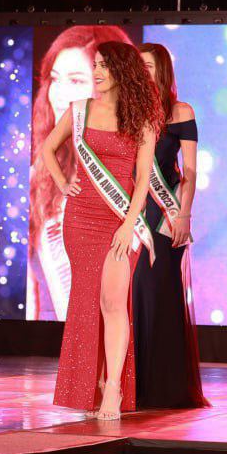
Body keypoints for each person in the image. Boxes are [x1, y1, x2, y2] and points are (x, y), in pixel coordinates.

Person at [39, 41, 161, 419]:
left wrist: (128, 225)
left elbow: (143, 180)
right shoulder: (79, 110)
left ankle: (113, 387)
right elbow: (48, 148)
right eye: (96, 65)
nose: (97, 72)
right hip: (80, 218)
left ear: (123, 71)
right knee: (88, 303)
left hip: (120, 220)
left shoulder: (141, 118)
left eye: (105, 65)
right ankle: (89, 387)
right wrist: (63, 182)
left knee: (113, 303)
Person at [29, 25, 134, 320]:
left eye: (76, 80)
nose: (59, 94)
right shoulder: (40, 176)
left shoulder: (130, 163)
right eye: (54, 79)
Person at [134, 43, 207, 408]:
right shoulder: (127, 111)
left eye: (148, 66)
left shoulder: (180, 112)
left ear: (162, 70)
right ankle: (133, 382)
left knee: (158, 291)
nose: (142, 73)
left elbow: (190, 169)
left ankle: (163, 385)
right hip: (130, 212)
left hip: (165, 215)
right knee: (133, 293)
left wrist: (184, 214)